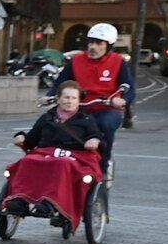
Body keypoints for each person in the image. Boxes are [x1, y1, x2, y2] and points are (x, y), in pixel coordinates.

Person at [54, 24, 134, 167]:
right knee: (56, 125)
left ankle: (103, 165)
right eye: (91, 42)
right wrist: (50, 96)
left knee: (105, 124)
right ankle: (64, 162)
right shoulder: (76, 60)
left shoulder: (118, 62)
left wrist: (122, 100)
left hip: (107, 108)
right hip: (79, 108)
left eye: (98, 43)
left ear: (108, 46)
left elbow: (129, 87)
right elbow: (60, 83)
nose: (93, 47)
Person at [14, 82, 104, 154]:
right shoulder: (46, 118)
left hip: (73, 160)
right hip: (46, 157)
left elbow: (97, 137)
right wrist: (21, 137)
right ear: (58, 99)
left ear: (79, 101)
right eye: (66, 97)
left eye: (74, 98)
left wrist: (94, 140)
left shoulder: (86, 119)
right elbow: (30, 142)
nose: (70, 101)